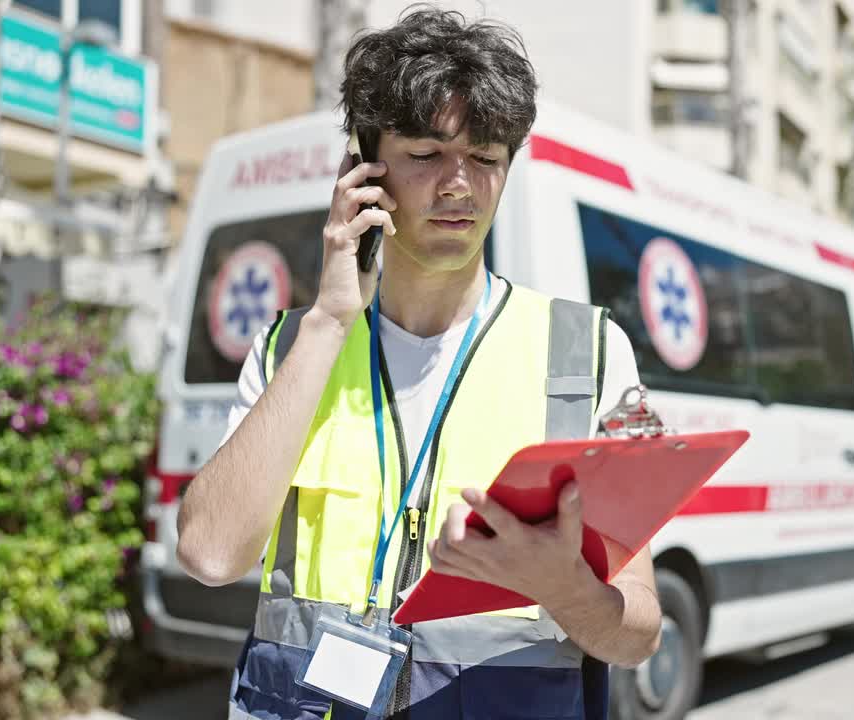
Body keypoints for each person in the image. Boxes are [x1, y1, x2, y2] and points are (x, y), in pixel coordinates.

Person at [176, 7, 662, 719]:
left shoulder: (586, 354)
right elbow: (211, 554)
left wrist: (563, 586)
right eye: (427, 155)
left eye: (487, 157)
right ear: (363, 169)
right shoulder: (292, 347)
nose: (459, 184)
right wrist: (331, 319)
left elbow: (638, 635)